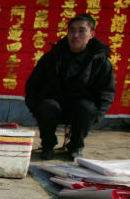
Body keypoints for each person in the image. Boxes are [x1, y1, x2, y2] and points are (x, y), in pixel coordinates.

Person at [25, 13, 115, 160]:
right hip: (54, 103)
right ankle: (47, 145)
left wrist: (96, 115)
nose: (75, 35)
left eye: (81, 31)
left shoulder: (100, 62)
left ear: (92, 34)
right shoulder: (52, 57)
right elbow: (33, 85)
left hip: (80, 107)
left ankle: (76, 146)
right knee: (47, 106)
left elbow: (107, 91)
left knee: (87, 108)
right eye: (72, 31)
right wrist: (35, 108)